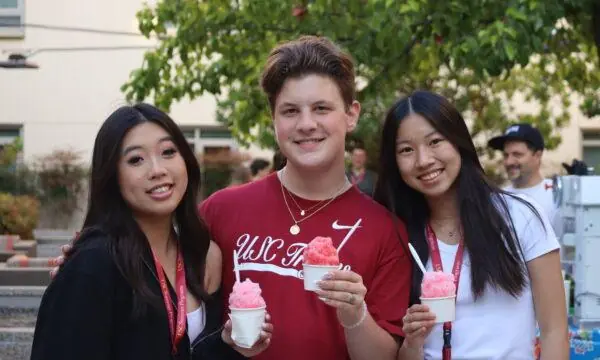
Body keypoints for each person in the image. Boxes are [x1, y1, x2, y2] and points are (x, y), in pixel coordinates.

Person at [199, 36, 412, 359]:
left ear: (351, 114)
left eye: (321, 108)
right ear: (274, 120)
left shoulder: (384, 230)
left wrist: (356, 314)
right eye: (290, 111)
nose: (306, 124)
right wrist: (223, 338)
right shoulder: (220, 210)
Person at [35, 104, 272, 359]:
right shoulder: (94, 263)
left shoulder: (200, 256)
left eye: (168, 152)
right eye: (136, 159)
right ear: (112, 176)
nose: (158, 170)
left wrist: (228, 345)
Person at [374, 91, 568, 360]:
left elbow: (554, 331)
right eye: (406, 150)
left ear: (458, 142)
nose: (423, 160)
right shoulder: (396, 232)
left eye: (435, 142)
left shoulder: (520, 216)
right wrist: (413, 342)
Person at [487, 123, 558, 226]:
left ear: (537, 155)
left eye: (517, 155)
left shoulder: (557, 195)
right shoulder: (497, 199)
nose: (509, 162)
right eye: (506, 155)